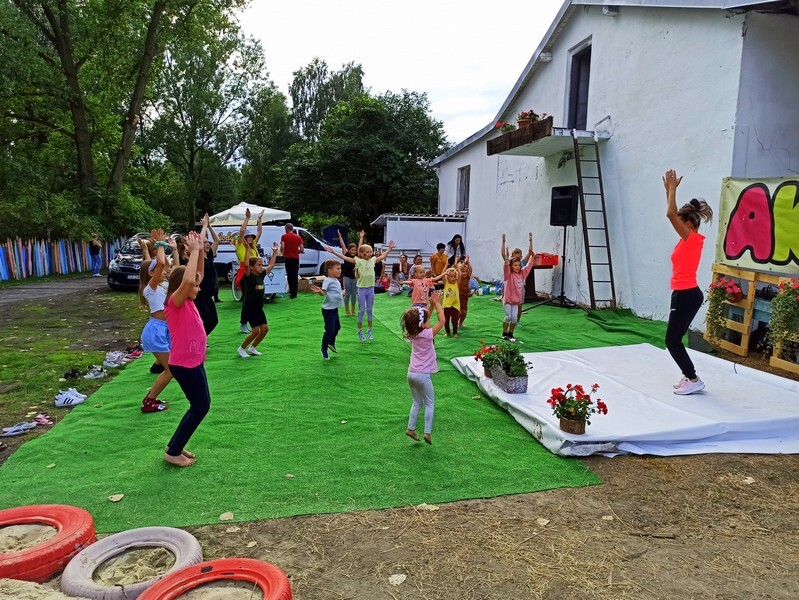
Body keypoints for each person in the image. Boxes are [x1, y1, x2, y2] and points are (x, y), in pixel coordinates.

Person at [663, 169, 713, 395]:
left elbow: (670, 215)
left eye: (680, 223)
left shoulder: (692, 240)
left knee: (672, 341)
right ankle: (688, 375)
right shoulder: (687, 241)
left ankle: (693, 378)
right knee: (674, 339)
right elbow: (673, 214)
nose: (676, 226)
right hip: (684, 294)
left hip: (686, 295)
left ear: (689, 225)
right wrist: (668, 192)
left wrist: (673, 190)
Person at [163, 231, 209, 467]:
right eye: (193, 285)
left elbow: (195, 278)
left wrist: (199, 250)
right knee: (201, 406)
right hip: (184, 365)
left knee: (200, 405)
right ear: (182, 286)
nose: (198, 288)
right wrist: (191, 252)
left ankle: (174, 446)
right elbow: (190, 280)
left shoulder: (187, 300)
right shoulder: (175, 303)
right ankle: (173, 452)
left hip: (193, 362)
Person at [325, 240, 395, 341]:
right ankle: (360, 331)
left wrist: (389, 248)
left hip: (370, 289)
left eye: (371, 251)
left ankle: (370, 330)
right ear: (361, 253)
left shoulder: (373, 260)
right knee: (362, 310)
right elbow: (345, 257)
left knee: (370, 310)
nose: (370, 253)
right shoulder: (358, 260)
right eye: (367, 251)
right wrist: (333, 252)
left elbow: (382, 256)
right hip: (362, 289)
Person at [138, 229, 175, 413]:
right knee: (171, 370)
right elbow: (160, 263)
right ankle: (149, 401)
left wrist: (167, 246)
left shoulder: (161, 286)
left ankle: (151, 398)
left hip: (162, 330)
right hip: (156, 332)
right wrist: (160, 244)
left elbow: (167, 264)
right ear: (151, 273)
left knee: (170, 369)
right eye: (158, 270)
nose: (164, 271)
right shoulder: (150, 288)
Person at [401, 291, 445, 445]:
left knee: (416, 402)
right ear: (422, 324)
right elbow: (442, 321)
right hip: (423, 375)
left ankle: (411, 429)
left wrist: (431, 307)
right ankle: (427, 432)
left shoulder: (414, 333)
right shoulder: (428, 334)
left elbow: (425, 319)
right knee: (430, 403)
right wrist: (438, 304)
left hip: (411, 373)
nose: (429, 321)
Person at [237, 243, 279, 358]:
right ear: (251, 267)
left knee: (265, 329)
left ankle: (253, 347)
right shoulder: (249, 276)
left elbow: (271, 265)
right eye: (259, 265)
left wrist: (275, 252)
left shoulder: (261, 275)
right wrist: (246, 250)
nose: (261, 267)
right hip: (249, 308)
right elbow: (246, 264)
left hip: (259, 308)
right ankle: (241, 349)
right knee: (255, 331)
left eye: (261, 265)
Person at [235, 209, 264, 333]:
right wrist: (247, 219)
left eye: (251, 236)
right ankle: (243, 323)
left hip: (254, 273)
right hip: (244, 272)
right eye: (248, 236)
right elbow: (241, 232)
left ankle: (252, 321)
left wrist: (259, 220)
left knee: (254, 298)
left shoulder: (254, 245)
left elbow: (259, 231)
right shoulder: (241, 245)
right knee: (247, 299)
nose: (251, 238)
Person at [501, 232, 534, 342]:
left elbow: (529, 264)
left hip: (516, 300)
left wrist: (531, 244)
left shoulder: (522, 273)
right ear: (511, 266)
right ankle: (504, 333)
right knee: (508, 317)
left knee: (514, 318)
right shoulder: (508, 275)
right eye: (515, 265)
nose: (517, 267)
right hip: (508, 300)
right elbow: (505, 262)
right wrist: (503, 242)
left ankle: (511, 334)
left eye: (519, 265)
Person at [310, 259, 344, 360]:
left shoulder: (336, 280)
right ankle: (324, 349)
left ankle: (331, 343)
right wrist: (319, 291)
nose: (340, 270)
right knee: (329, 330)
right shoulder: (327, 280)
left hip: (334, 309)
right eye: (338, 269)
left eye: (340, 269)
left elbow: (336, 293)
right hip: (328, 310)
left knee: (337, 327)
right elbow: (323, 293)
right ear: (330, 271)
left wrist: (343, 292)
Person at [195, 214, 220, 337]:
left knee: (214, 321)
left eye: (207, 242)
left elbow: (217, 240)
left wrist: (209, 226)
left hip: (208, 295)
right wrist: (204, 225)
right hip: (199, 295)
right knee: (207, 320)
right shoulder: (199, 258)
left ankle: (201, 339)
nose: (207, 244)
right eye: (205, 242)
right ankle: (199, 340)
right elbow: (199, 241)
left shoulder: (209, 255)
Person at [337, 231, 359, 316]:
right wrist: (340, 236)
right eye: (352, 250)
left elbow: (360, 247)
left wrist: (361, 238)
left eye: (355, 250)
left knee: (354, 294)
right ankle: (347, 308)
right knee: (347, 294)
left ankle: (353, 308)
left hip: (355, 277)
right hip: (346, 277)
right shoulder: (345, 254)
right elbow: (343, 245)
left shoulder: (357, 256)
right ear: (348, 250)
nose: (353, 251)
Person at [280, 223, 304, 299]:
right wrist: (297, 251)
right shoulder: (298, 237)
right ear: (292, 229)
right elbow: (302, 249)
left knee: (289, 275)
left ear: (286, 229)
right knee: (295, 275)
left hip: (287, 258)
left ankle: (291, 292)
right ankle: (295, 293)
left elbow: (283, 246)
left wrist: (282, 253)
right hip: (295, 258)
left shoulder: (284, 236)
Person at [442, 262, 463, 337]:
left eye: (454, 276)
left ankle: (455, 332)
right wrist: (446, 265)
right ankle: (447, 332)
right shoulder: (446, 284)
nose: (453, 278)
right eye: (451, 277)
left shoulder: (457, 284)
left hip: (455, 306)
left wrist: (457, 266)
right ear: (447, 277)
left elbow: (460, 275)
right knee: (446, 321)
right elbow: (442, 274)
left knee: (454, 321)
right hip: (447, 306)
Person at [457, 255, 473, 327]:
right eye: (463, 271)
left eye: (466, 271)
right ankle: (456, 322)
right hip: (458, 296)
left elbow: (471, 269)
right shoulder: (458, 276)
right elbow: (459, 268)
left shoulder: (467, 277)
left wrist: (468, 262)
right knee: (459, 312)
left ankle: (461, 322)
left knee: (464, 312)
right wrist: (465, 262)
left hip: (465, 296)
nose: (465, 273)